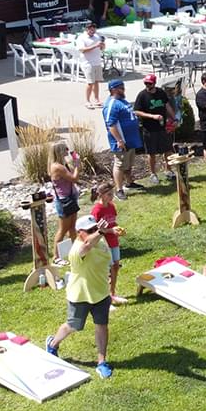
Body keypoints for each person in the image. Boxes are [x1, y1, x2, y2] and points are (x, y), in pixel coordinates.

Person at [44, 214, 114, 379]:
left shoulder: (101, 242)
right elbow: (87, 247)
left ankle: (101, 362)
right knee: (73, 325)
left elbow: (106, 258)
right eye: (90, 230)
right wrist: (101, 232)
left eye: (96, 228)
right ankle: (53, 344)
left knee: (101, 326)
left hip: (101, 293)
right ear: (80, 233)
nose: (94, 232)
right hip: (80, 296)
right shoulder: (76, 250)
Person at [101, 79, 142, 198]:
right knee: (120, 164)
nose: (123, 90)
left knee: (128, 163)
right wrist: (119, 140)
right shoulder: (111, 104)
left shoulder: (122, 101)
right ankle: (119, 189)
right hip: (121, 141)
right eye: (121, 88)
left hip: (130, 140)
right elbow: (111, 124)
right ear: (113, 90)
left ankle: (130, 183)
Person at [134, 74, 174, 183]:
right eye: (146, 83)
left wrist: (173, 118)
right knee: (151, 153)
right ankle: (153, 174)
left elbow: (167, 105)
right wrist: (152, 116)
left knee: (167, 150)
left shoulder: (161, 93)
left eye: (149, 83)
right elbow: (136, 111)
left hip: (162, 127)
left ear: (154, 83)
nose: (147, 85)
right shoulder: (142, 95)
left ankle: (169, 171)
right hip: (149, 129)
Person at [48, 150, 80, 254]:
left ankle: (74, 251)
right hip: (64, 201)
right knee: (62, 230)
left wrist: (75, 163)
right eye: (65, 149)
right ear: (59, 151)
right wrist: (77, 164)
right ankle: (56, 257)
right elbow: (74, 178)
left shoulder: (62, 164)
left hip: (70, 198)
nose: (68, 151)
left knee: (72, 228)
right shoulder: (57, 167)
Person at [76, 22, 105, 108]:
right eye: (91, 30)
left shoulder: (97, 36)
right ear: (87, 29)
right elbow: (82, 50)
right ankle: (87, 101)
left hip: (97, 62)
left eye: (94, 30)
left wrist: (102, 46)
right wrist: (95, 45)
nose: (92, 31)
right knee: (90, 83)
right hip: (88, 63)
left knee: (96, 82)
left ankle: (96, 99)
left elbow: (102, 49)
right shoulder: (81, 38)